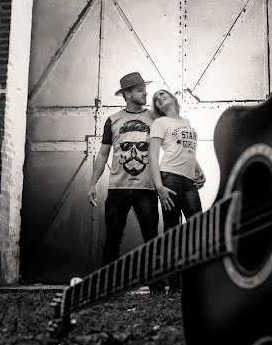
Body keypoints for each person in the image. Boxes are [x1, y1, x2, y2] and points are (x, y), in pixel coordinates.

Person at [87, 72, 164, 293]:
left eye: (144, 89)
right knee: (112, 239)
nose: (145, 93)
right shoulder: (113, 120)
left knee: (152, 238)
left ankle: (156, 286)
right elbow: (103, 154)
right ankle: (108, 286)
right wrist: (93, 184)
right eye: (140, 90)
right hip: (118, 188)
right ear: (127, 94)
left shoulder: (154, 118)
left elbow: (171, 141)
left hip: (146, 188)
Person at [148, 89, 205, 293]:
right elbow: (153, 156)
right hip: (169, 177)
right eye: (156, 99)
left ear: (173, 98)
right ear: (157, 107)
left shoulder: (186, 122)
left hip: (189, 180)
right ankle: (175, 285)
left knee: (197, 229)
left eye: (163, 94)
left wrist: (199, 169)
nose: (159, 98)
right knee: (172, 231)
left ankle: (195, 281)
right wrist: (159, 186)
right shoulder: (159, 123)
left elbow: (188, 149)